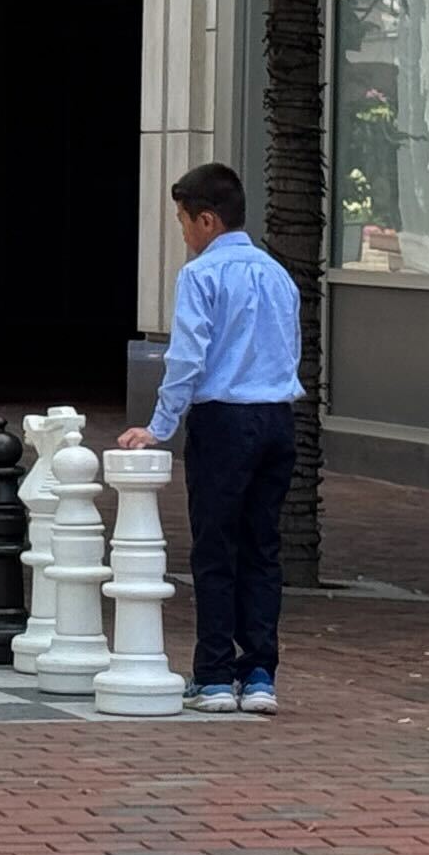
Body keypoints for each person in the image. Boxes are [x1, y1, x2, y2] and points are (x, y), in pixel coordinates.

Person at [118, 161, 303, 715]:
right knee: (263, 548)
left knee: (216, 547)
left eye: (182, 220)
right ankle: (262, 674)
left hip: (224, 420)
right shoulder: (277, 273)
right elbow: (290, 348)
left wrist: (160, 426)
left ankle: (216, 676)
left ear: (207, 220)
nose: (182, 232)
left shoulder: (200, 276)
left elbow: (187, 358)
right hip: (277, 419)